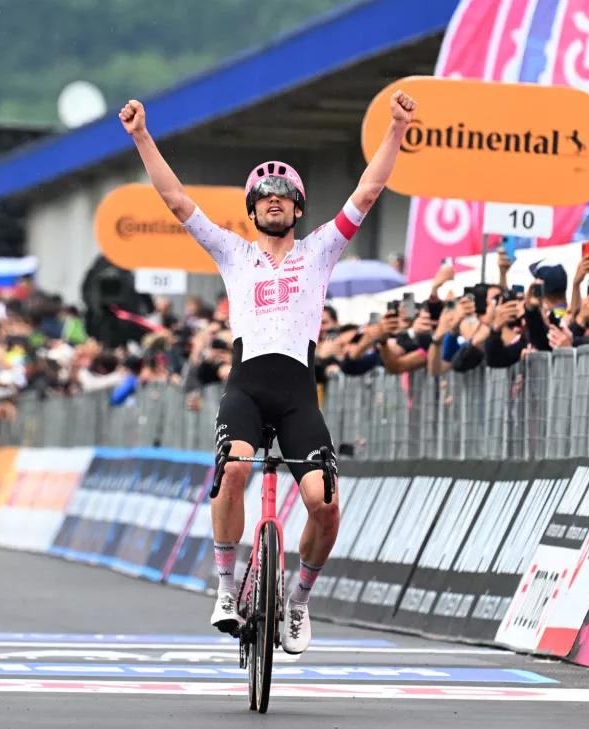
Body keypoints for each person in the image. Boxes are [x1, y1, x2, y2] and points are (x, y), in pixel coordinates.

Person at [119, 89, 417, 654]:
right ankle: (228, 588)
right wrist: (141, 137)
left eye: (284, 196)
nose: (274, 202)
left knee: (325, 504)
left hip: (299, 394)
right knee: (233, 472)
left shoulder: (322, 250)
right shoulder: (233, 253)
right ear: (253, 209)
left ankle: (299, 601)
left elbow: (370, 189)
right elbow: (177, 199)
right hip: (247, 388)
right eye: (264, 196)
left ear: (298, 209)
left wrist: (397, 128)